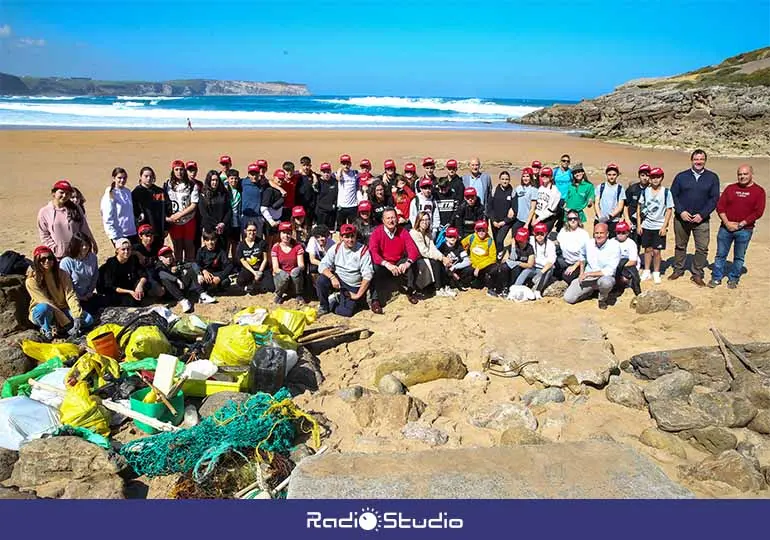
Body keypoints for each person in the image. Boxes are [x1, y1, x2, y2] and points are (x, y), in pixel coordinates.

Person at [669, 149, 721, 287]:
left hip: (701, 220)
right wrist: (681, 211)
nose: (698, 162)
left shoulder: (712, 177)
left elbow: (714, 198)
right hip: (681, 218)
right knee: (680, 245)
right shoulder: (681, 176)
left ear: (705, 161)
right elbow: (673, 195)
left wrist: (702, 215)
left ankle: (697, 273)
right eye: (696, 159)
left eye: (701, 159)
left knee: (702, 248)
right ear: (691, 160)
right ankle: (678, 269)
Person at [710, 164, 766, 289]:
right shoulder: (730, 188)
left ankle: (733, 278)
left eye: (745, 174)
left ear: (751, 174)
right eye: (740, 174)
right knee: (720, 255)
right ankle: (716, 277)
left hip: (745, 230)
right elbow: (720, 207)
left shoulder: (759, 191)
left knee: (739, 256)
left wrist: (741, 224)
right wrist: (727, 223)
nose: (742, 176)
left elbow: (758, 212)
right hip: (725, 228)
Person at [26, 245, 93, 340]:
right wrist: (66, 322)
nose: (47, 261)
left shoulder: (62, 274)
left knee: (88, 320)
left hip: (62, 309)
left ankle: (62, 327)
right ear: (37, 261)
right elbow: (44, 301)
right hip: (45, 312)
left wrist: (77, 316)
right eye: (42, 259)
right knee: (44, 308)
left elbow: (70, 294)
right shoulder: (31, 280)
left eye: (49, 258)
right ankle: (46, 329)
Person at [368, 207, 421, 313]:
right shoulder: (377, 232)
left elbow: (413, 250)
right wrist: (387, 264)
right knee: (375, 267)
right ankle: (375, 300)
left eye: (393, 217)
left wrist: (407, 263)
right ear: (383, 220)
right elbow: (373, 252)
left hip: (398, 262)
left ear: (397, 219)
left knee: (412, 263)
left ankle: (410, 291)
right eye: (388, 218)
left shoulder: (403, 231)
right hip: (384, 264)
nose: (391, 220)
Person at [316, 223, 374, 317]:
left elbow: (368, 275)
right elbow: (322, 265)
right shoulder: (336, 248)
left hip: (353, 285)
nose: (350, 240)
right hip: (339, 279)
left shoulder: (363, 251)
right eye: (346, 237)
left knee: (346, 312)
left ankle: (336, 299)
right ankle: (324, 306)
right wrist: (332, 277)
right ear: (341, 237)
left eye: (352, 236)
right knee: (321, 280)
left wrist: (357, 295)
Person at [563, 223, 621, 309]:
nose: (599, 235)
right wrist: (582, 272)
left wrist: (588, 274)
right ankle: (589, 292)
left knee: (606, 283)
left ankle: (602, 299)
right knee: (569, 298)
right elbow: (582, 256)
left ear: (607, 234)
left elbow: (609, 270)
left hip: (603, 277)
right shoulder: (589, 243)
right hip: (588, 278)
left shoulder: (614, 246)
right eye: (596, 233)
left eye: (601, 233)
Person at [38, 180, 96, 260]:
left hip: (78, 254)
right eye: (61, 192)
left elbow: (84, 229)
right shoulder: (44, 212)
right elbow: (44, 235)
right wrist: (55, 249)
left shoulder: (76, 209)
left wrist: (91, 243)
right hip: (57, 257)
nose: (64, 195)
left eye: (68, 193)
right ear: (54, 193)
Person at [637, 167, 674, 284]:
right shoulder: (645, 191)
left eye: (657, 177)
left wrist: (664, 226)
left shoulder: (666, 192)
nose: (655, 179)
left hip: (659, 226)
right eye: (653, 177)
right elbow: (639, 208)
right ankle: (647, 270)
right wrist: (639, 224)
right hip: (647, 224)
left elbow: (669, 209)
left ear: (661, 178)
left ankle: (656, 272)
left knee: (657, 251)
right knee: (647, 249)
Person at [97, 238, 152, 307]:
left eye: (128, 249)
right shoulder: (111, 264)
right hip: (114, 290)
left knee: (146, 287)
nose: (126, 252)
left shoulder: (132, 259)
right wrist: (130, 292)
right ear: (117, 250)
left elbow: (142, 274)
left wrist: (140, 285)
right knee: (131, 302)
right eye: (123, 249)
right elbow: (111, 286)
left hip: (127, 284)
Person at [410, 210, 453, 297]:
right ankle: (438, 288)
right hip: (416, 257)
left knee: (440, 260)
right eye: (422, 220)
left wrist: (442, 257)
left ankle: (444, 286)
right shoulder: (414, 233)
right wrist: (441, 258)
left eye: (427, 220)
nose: (425, 222)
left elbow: (432, 247)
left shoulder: (427, 232)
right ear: (418, 221)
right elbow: (424, 251)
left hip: (425, 255)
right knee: (435, 262)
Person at [165, 159, 199, 262]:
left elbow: (194, 204)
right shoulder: (167, 185)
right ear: (173, 171)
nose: (179, 172)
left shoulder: (192, 185)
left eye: (181, 169)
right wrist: (169, 217)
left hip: (188, 220)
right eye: (176, 169)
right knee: (177, 245)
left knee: (189, 244)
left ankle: (190, 266)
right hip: (174, 221)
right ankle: (179, 265)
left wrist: (180, 215)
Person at [155, 246, 205, 313]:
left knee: (190, 270)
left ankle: (202, 294)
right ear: (160, 258)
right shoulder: (159, 266)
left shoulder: (176, 263)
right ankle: (183, 301)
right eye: (166, 257)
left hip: (182, 288)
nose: (169, 258)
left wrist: (199, 274)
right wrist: (176, 279)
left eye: (170, 256)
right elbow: (161, 274)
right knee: (165, 279)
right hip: (169, 293)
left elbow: (192, 264)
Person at [58, 233, 100, 313]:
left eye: (87, 244)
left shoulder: (92, 257)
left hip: (88, 295)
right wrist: (79, 297)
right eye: (81, 245)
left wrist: (89, 292)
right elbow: (66, 286)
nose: (85, 247)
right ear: (75, 246)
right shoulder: (67, 262)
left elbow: (95, 276)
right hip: (73, 299)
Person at [132, 166, 169, 254]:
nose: (149, 178)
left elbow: (167, 210)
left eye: (151, 176)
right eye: (146, 176)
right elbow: (135, 214)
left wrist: (166, 227)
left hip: (159, 230)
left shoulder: (160, 191)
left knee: (158, 253)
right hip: (144, 231)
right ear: (141, 177)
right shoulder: (136, 193)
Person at [100, 167, 137, 245]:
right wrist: (114, 237)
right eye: (119, 178)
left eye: (124, 178)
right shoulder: (110, 194)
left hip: (132, 232)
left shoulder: (128, 192)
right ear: (114, 178)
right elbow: (107, 217)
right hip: (119, 234)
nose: (122, 180)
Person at [271, 221, 306, 304]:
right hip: (282, 277)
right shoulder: (276, 247)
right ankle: (279, 294)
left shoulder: (297, 247)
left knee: (296, 273)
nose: (286, 236)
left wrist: (297, 269)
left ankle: (298, 294)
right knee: (283, 277)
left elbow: (301, 264)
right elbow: (275, 267)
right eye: (283, 233)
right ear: (280, 234)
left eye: (288, 233)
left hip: (294, 277)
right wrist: (282, 273)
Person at [461, 219, 498, 294]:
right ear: (475, 230)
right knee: (470, 281)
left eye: (483, 230)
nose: (481, 232)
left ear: (486, 230)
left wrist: (479, 267)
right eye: (479, 230)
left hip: (484, 265)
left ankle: (491, 287)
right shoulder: (472, 237)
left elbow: (493, 258)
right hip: (473, 264)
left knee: (494, 269)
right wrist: (465, 256)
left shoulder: (489, 241)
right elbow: (461, 245)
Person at [496, 227, 536, 294]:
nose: (519, 242)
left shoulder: (529, 248)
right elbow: (504, 260)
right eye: (518, 240)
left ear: (526, 240)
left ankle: (512, 287)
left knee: (516, 268)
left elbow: (530, 264)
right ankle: (504, 287)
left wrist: (517, 263)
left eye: (522, 240)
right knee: (504, 267)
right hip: (510, 270)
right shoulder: (513, 246)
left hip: (521, 269)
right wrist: (513, 248)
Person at [235, 220, 271, 295]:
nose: (252, 232)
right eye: (249, 230)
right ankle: (252, 283)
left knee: (270, 288)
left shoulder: (262, 242)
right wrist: (254, 273)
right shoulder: (241, 245)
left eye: (254, 230)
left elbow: (265, 259)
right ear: (245, 231)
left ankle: (257, 283)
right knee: (240, 281)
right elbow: (243, 261)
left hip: (261, 268)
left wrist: (259, 272)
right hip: (249, 269)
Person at [195, 230, 232, 301]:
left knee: (226, 282)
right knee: (199, 280)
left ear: (216, 240)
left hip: (217, 274)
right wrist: (203, 271)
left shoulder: (221, 251)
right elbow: (197, 264)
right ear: (204, 241)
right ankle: (206, 291)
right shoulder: (201, 251)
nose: (210, 242)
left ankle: (217, 289)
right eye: (207, 240)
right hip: (206, 275)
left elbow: (229, 266)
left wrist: (219, 277)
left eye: (212, 240)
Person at [198, 170, 233, 247]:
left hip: (223, 228)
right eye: (212, 180)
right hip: (210, 228)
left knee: (223, 251)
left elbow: (229, 210)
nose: (215, 182)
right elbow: (204, 213)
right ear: (209, 181)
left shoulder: (224, 193)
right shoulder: (203, 194)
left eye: (216, 180)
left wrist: (223, 223)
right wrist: (216, 225)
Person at [555, 210, 590, 285]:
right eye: (570, 219)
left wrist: (574, 266)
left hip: (577, 263)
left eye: (575, 218)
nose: (573, 220)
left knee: (566, 276)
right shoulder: (563, 231)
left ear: (578, 220)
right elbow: (557, 242)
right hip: (565, 260)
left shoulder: (583, 234)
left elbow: (585, 255)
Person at [594, 163, 626, 237]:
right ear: (606, 175)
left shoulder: (620, 188)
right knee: (599, 239)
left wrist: (610, 216)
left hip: (614, 221)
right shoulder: (600, 187)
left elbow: (620, 206)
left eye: (614, 174)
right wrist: (600, 216)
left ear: (617, 175)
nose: (611, 177)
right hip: (599, 219)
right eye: (609, 174)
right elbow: (596, 202)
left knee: (612, 242)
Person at [490, 171, 516, 259]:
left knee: (499, 239)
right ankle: (498, 255)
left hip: (505, 222)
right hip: (494, 221)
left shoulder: (512, 192)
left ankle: (500, 254)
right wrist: (493, 220)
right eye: (503, 179)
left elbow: (514, 210)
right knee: (496, 241)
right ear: (500, 180)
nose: (505, 181)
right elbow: (490, 208)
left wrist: (504, 222)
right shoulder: (494, 190)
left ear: (509, 180)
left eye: (507, 179)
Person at [525, 222, 556, 295]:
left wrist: (541, 272)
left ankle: (536, 290)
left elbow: (551, 261)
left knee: (548, 271)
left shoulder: (550, 244)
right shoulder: (530, 240)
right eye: (537, 233)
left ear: (546, 233)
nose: (539, 236)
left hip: (544, 268)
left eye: (542, 234)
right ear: (533, 233)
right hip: (532, 267)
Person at [613, 221, 641, 295]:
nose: (620, 235)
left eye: (623, 232)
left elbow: (633, 262)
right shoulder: (612, 242)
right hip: (616, 266)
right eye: (618, 232)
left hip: (628, 266)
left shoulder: (631, 243)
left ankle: (635, 286)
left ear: (628, 233)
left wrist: (619, 267)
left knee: (624, 261)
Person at [626, 164, 651, 245]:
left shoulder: (652, 189)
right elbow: (625, 205)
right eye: (642, 175)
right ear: (639, 176)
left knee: (646, 243)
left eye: (647, 175)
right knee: (632, 243)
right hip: (632, 220)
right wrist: (627, 219)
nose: (645, 178)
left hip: (646, 220)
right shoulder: (632, 188)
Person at [261, 169, 287, 247]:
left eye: (282, 179)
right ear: (274, 177)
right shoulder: (269, 190)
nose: (280, 181)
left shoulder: (281, 191)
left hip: (278, 221)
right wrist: (271, 221)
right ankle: (268, 259)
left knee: (276, 243)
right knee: (268, 244)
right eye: (279, 178)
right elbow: (263, 208)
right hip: (270, 222)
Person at [532, 167, 561, 233]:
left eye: (547, 175)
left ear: (551, 177)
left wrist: (537, 220)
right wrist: (534, 217)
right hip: (537, 216)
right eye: (543, 175)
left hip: (547, 219)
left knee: (542, 237)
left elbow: (551, 210)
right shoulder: (540, 188)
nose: (544, 177)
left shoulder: (555, 191)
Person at [241, 163, 265, 238]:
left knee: (258, 239)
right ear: (248, 174)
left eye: (256, 174)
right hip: (245, 216)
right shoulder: (243, 182)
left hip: (258, 217)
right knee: (245, 239)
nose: (254, 176)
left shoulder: (263, 183)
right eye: (252, 174)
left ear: (259, 174)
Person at [336, 154, 359, 229]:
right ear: (341, 165)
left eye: (347, 163)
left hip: (353, 206)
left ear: (350, 164)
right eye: (344, 164)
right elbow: (326, 176)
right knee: (341, 229)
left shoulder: (355, 173)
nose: (346, 165)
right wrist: (339, 171)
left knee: (353, 228)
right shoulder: (337, 173)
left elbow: (366, 174)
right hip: (341, 206)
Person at [314, 162, 338, 231]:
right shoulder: (318, 182)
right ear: (321, 172)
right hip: (321, 213)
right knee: (321, 232)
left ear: (331, 172)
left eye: (328, 172)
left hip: (332, 212)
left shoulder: (335, 182)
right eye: (324, 172)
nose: (326, 174)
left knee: (330, 232)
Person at [224, 168, 242, 260]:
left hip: (237, 221)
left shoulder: (240, 190)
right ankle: (226, 261)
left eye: (235, 178)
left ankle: (235, 261)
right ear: (228, 179)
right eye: (231, 178)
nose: (234, 180)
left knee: (236, 242)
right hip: (227, 220)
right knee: (227, 242)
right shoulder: (224, 191)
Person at [296, 156, 318, 225]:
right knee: (299, 227)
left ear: (310, 166)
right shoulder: (297, 176)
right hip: (299, 207)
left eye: (308, 165)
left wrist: (314, 176)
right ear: (301, 166)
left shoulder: (314, 176)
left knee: (309, 226)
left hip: (310, 207)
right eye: (304, 165)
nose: (306, 167)